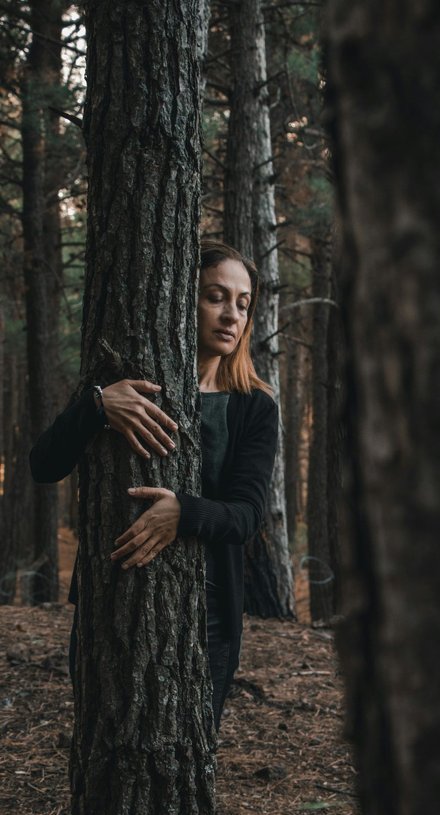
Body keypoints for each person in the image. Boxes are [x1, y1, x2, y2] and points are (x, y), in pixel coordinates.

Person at [29, 240, 278, 731]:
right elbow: (43, 464)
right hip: (112, 602)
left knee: (185, 753)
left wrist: (184, 512)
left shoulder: (254, 405)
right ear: (181, 298)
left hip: (207, 615)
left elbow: (248, 515)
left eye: (243, 304)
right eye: (215, 297)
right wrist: (98, 406)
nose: (231, 314)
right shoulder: (127, 384)